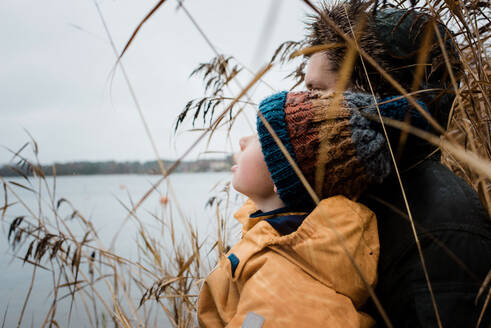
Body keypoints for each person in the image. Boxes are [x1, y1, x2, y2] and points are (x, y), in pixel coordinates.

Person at [303, 1, 491, 327]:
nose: (299, 105)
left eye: (315, 91)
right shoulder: (349, 191)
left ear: (374, 100)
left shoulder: (444, 228)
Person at [198, 90, 394, 327]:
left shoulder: (280, 287)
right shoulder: (273, 237)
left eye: (261, 137)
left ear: (282, 176)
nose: (243, 140)